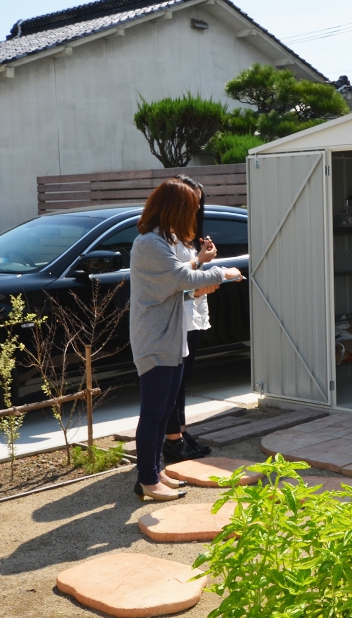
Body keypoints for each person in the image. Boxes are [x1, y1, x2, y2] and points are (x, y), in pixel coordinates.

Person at [130, 178, 242, 501]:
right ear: (174, 210)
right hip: (155, 339)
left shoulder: (162, 241)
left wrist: (199, 268)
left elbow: (177, 276)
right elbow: (180, 278)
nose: (193, 216)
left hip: (170, 336)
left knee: (165, 409)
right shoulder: (150, 243)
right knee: (153, 412)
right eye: (190, 209)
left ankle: (156, 471)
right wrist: (225, 272)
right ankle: (147, 481)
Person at [163, 175, 217, 462]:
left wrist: (202, 256)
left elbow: (190, 273)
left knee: (183, 379)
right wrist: (201, 261)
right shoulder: (163, 238)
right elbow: (176, 279)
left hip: (192, 311)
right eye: (191, 202)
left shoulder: (186, 233)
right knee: (174, 379)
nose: (196, 208)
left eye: (199, 202)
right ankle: (172, 440)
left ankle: (180, 433)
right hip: (177, 315)